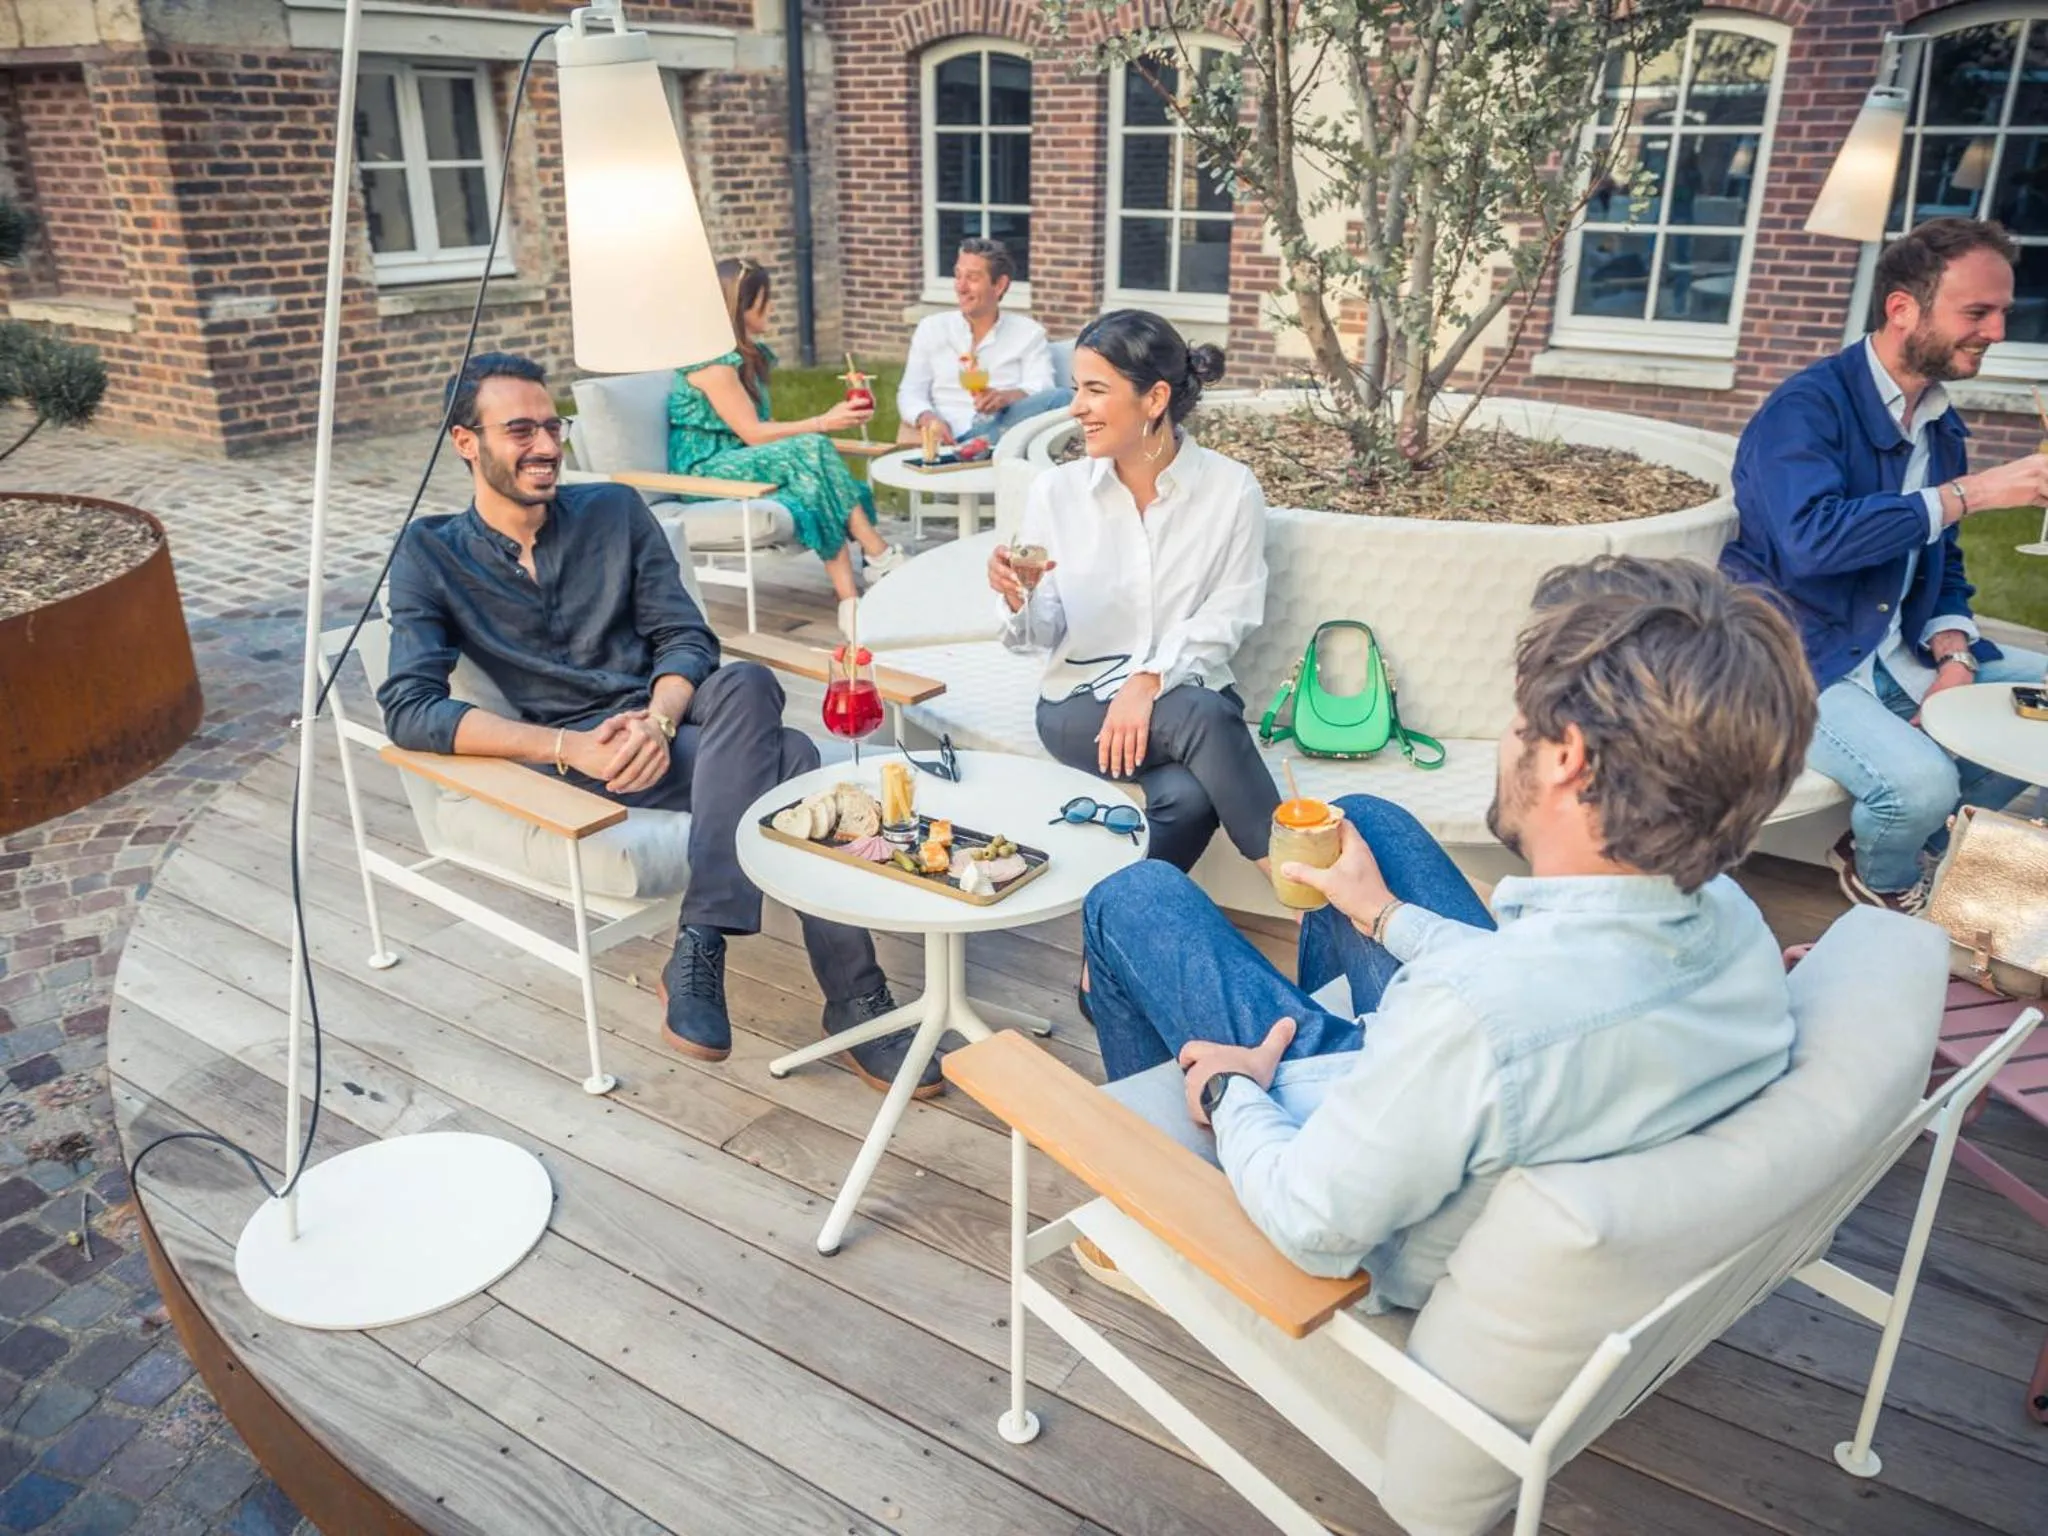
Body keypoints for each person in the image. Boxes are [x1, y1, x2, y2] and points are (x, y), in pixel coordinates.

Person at [1078, 556, 1816, 1311]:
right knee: (1368, 823)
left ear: (1566, 760)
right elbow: (1545, 982)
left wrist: (1233, 1088)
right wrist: (1385, 916)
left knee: (1131, 898)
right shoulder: (1733, 924)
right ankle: (1295, 1009)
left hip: (1332, 1176)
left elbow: (1312, 1226)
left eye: (1519, 720)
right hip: (1456, 1100)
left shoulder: (1471, 1017)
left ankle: (1148, 1198)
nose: (1507, 738)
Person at [380, 352, 941, 1097]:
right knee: (794, 756)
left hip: (664, 720)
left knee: (745, 679)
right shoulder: (430, 553)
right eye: (520, 430)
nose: (546, 446)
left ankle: (700, 940)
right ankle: (854, 997)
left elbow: (687, 639)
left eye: (553, 426)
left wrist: (658, 720)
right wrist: (567, 745)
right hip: (574, 755)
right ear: (465, 442)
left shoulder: (612, 510)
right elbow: (410, 707)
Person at [1721, 217, 2048, 913]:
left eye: (2002, 314)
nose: (1996, 333)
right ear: (1903, 309)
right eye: (1977, 313)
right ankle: (1890, 877)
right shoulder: (1805, 411)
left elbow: (1942, 559)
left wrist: (1954, 654)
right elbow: (1813, 541)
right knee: (1920, 782)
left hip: (1896, 651)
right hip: (1797, 659)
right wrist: (1976, 493)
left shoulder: (1937, 419)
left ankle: (1928, 843)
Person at [987, 309, 1280, 876]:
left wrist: (1149, 680)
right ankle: (1306, 891)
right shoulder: (1058, 493)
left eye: (1095, 390)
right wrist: (1018, 598)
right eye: (1077, 389)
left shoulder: (1230, 490)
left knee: (1188, 799)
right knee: (1203, 715)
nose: (1075, 408)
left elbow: (1232, 611)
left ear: (1154, 399)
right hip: (1079, 705)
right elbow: (1041, 635)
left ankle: (1104, 957)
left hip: (1185, 690)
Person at [669, 259, 907, 640]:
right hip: (705, 470)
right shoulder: (714, 367)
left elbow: (762, 435)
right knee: (811, 447)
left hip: (737, 460)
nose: (772, 309)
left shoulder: (746, 359)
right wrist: (821, 423)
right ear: (739, 307)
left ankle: (850, 601)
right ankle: (878, 555)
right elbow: (753, 434)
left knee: (812, 486)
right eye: (764, 301)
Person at [897, 238, 1072, 448]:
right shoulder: (932, 328)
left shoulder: (1028, 333)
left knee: (1063, 397)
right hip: (947, 436)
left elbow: (1043, 388)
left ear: (999, 285)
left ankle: (977, 448)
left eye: (971, 278)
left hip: (1003, 428)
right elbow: (910, 392)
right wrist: (928, 419)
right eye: (958, 275)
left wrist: (1007, 398)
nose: (961, 287)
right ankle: (969, 450)